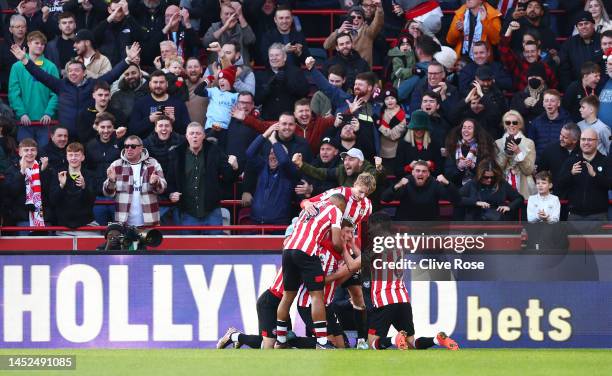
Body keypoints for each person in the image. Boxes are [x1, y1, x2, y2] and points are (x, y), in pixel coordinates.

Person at [366, 211, 459, 351]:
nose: (369, 229)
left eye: (370, 226)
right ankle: (437, 339)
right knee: (411, 343)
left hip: (384, 299)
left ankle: (394, 339)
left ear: (377, 225)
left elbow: (357, 264)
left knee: (372, 344)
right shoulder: (398, 243)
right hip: (403, 299)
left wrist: (345, 248)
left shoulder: (377, 244)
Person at [10, 41, 140, 139]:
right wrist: (24, 59)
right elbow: (39, 74)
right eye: (70, 70)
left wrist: (128, 60)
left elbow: (112, 75)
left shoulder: (93, 85)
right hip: (66, 137)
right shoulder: (60, 85)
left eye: (77, 70)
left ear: (84, 73)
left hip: (89, 136)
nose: (73, 73)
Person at [275, 193, 346, 349]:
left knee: (287, 296)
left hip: (288, 250)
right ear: (340, 204)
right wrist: (343, 250)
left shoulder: (309, 207)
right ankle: (321, 342)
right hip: (307, 251)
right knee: (317, 295)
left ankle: (280, 340)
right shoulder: (336, 210)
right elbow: (335, 242)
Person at [166, 122, 239, 235]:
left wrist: (234, 167)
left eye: (198, 133)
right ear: (186, 136)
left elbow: (228, 177)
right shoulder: (176, 154)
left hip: (211, 211)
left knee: (215, 249)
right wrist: (171, 194)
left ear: (204, 136)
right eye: (192, 133)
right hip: (187, 212)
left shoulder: (214, 151)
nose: (195, 136)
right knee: (187, 250)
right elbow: (170, 181)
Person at [8, 31, 59, 148]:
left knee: (44, 155)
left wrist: (48, 113)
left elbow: (56, 93)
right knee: (26, 155)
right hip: (24, 121)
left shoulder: (51, 66)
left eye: (42, 44)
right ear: (29, 44)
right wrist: (22, 113)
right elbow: (13, 93)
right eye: (36, 43)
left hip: (46, 121)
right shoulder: (17, 67)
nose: (40, 46)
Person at [103, 135, 167, 226]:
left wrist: (156, 182)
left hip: (150, 222)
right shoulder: (116, 165)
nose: (129, 149)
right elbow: (107, 193)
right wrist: (111, 181)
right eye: (126, 146)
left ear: (141, 148)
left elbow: (162, 188)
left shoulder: (153, 164)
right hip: (123, 223)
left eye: (133, 146)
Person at [246, 123, 299, 226]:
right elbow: (249, 153)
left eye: (277, 153)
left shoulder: (289, 171)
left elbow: (283, 161)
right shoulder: (262, 167)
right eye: (271, 153)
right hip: (256, 224)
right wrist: (266, 134)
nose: (273, 156)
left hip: (278, 227)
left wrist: (274, 140)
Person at [293, 148, 385, 207]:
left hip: (367, 212)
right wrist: (301, 165)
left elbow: (376, 176)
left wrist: (379, 168)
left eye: (351, 159)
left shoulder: (369, 170)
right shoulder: (342, 170)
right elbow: (321, 173)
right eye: (345, 159)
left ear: (360, 162)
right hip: (347, 212)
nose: (346, 163)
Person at [558, 128, 611, 221]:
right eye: (583, 139)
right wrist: (571, 174)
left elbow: (610, 184)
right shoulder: (571, 161)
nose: (586, 142)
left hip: (599, 216)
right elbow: (559, 184)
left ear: (597, 142)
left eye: (590, 139)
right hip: (574, 215)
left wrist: (595, 175)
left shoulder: (605, 161)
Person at [382, 160, 459, 221]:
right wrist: (397, 185)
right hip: (406, 225)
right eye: (417, 171)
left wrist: (447, 183)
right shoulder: (405, 182)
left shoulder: (435, 183)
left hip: (429, 226)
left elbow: (456, 199)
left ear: (428, 174)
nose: (420, 174)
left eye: (424, 171)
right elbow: (385, 198)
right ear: (412, 172)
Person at [2, 138, 51, 231]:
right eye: (26, 150)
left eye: (33, 150)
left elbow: (49, 193)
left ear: (36, 152)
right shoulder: (11, 170)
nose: (30, 153)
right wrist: (21, 173)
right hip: (22, 219)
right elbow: (11, 193)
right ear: (20, 152)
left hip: (43, 218)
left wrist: (44, 172)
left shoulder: (44, 168)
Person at [86, 112, 123, 226]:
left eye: (109, 127)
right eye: (102, 127)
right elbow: (87, 169)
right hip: (98, 197)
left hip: (118, 197)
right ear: (96, 127)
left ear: (113, 127)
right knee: (100, 233)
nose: (106, 130)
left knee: (120, 231)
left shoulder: (121, 143)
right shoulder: (90, 145)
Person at [129, 70, 191, 138]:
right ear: (150, 84)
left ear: (167, 84)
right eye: (155, 82)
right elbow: (133, 130)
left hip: (174, 146)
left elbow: (188, 130)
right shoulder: (140, 103)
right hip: (147, 146)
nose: (158, 85)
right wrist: (149, 119)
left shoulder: (179, 103)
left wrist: (174, 121)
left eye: (161, 82)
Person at [255, 43, 309, 121]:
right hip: (269, 120)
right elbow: (257, 100)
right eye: (271, 55)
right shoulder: (262, 75)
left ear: (284, 57)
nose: (274, 58)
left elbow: (305, 92)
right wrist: (268, 87)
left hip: (291, 119)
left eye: (277, 55)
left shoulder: (295, 72)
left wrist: (287, 82)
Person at [49, 142, 96, 230]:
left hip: (86, 223)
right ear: (66, 157)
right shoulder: (58, 174)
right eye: (70, 155)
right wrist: (61, 185)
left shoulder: (90, 175)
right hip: (62, 225)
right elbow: (53, 200)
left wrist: (84, 187)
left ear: (82, 157)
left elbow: (91, 201)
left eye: (77, 155)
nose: (73, 158)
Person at [452, 65, 508, 139]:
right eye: (483, 80)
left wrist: (482, 96)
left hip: (490, 135)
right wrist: (466, 100)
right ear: (476, 79)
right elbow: (453, 116)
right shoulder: (468, 92)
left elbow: (498, 116)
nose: (486, 84)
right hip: (469, 136)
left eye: (488, 80)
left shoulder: (497, 94)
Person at [322, 2, 384, 67]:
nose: (356, 19)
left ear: (363, 21)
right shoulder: (342, 32)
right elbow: (327, 46)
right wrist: (339, 31)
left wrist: (379, 8)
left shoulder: (368, 32)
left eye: (359, 17)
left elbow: (378, 23)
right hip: (346, 72)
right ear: (348, 19)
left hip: (364, 73)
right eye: (353, 17)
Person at [500, 22, 558, 91]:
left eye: (532, 51)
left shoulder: (547, 67)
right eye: (527, 52)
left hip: (543, 99)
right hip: (522, 99)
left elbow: (554, 87)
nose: (530, 54)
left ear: (538, 51)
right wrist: (509, 29)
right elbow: (504, 50)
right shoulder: (519, 65)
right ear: (524, 53)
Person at [459, 159, 524, 221]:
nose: (489, 180)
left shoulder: (501, 184)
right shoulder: (472, 184)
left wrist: (509, 207)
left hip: (497, 223)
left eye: (492, 177)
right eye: (486, 177)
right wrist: (475, 202)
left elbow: (519, 198)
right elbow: (456, 198)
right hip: (476, 223)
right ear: (480, 175)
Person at [494, 110, 536, 199]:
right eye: (508, 122)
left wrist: (518, 152)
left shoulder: (529, 143)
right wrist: (506, 153)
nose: (511, 125)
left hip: (524, 186)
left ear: (520, 125)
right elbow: (497, 169)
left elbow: (529, 170)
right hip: (503, 185)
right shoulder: (498, 143)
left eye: (515, 122)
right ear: (504, 125)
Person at [537, 122, 582, 204]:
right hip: (556, 198)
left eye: (565, 137)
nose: (561, 138)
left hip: (578, 199)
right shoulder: (550, 149)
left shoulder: (583, 151)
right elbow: (541, 173)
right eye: (561, 135)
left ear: (575, 140)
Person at [92, 0, 146, 66]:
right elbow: (93, 38)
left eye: (120, 10)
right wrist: (110, 18)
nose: (117, 14)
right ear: (109, 10)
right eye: (114, 10)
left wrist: (127, 13)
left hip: (127, 67)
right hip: (107, 67)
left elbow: (141, 37)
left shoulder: (130, 23)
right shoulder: (104, 25)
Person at [444, 118, 495, 187]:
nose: (466, 130)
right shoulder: (453, 147)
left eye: (469, 128)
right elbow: (448, 174)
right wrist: (459, 167)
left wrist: (473, 166)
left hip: (478, 188)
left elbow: (488, 173)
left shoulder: (483, 148)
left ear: (475, 131)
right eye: (464, 127)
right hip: (457, 188)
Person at [559, 11, 602, 89]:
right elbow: (564, 70)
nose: (583, 26)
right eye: (580, 24)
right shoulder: (569, 44)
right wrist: (569, 88)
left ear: (593, 24)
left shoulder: (603, 40)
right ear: (577, 27)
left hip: (601, 86)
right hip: (578, 88)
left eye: (586, 23)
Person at [395, 110, 442, 177]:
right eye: (416, 128)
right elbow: (397, 171)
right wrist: (409, 167)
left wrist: (431, 165)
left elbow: (440, 169)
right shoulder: (403, 144)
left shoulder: (434, 143)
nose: (419, 131)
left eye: (422, 128)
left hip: (429, 181)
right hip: (408, 181)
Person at [528, 89, 572, 156]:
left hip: (559, 162)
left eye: (552, 101)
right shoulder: (535, 122)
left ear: (558, 103)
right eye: (546, 101)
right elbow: (530, 145)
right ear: (543, 103)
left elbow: (570, 145)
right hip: (540, 162)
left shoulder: (567, 122)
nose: (549, 104)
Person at [377, 88, 407, 170]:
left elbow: (394, 135)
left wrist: (380, 126)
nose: (390, 101)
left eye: (392, 98)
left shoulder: (401, 115)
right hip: (379, 151)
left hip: (394, 152)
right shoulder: (381, 111)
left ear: (396, 99)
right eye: (387, 99)